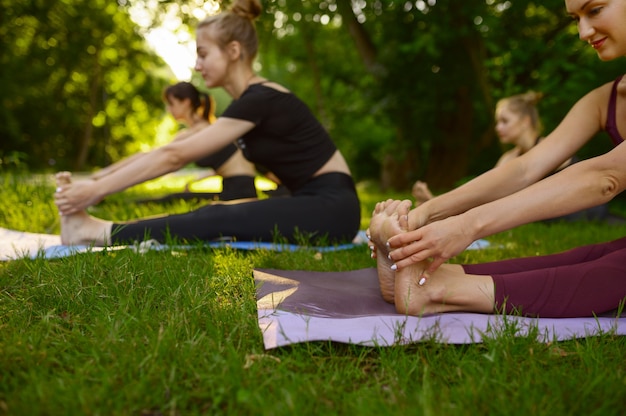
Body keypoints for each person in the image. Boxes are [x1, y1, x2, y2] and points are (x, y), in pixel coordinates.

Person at [369, 0, 626, 319]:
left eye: (595, 10)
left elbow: (606, 177)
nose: (582, 31)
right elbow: (525, 168)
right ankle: (428, 278)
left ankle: (439, 291)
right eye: (575, 19)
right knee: (594, 255)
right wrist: (424, 216)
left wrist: (466, 226)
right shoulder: (605, 99)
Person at [54, 0, 360, 247]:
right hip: (313, 201)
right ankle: (93, 229)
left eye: (203, 54)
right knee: (222, 213)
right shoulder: (250, 104)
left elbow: (174, 157)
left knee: (220, 216)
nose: (197, 65)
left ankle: (96, 232)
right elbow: (171, 152)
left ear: (233, 51)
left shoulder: (261, 98)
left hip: (332, 207)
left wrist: (95, 192)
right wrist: (98, 183)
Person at [412, 91, 615, 222]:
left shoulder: (550, 149)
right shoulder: (509, 158)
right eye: (497, 122)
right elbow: (483, 195)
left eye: (504, 121)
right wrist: (437, 204)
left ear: (526, 121)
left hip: (583, 212)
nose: (498, 127)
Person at [92, 81, 259, 203]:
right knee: (176, 199)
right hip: (236, 188)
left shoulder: (199, 130)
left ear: (186, 102)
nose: (168, 109)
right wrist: (197, 179)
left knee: (170, 200)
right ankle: (107, 198)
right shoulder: (206, 128)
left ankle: (109, 200)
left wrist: (105, 173)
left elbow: (150, 156)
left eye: (171, 104)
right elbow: (230, 161)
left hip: (239, 193)